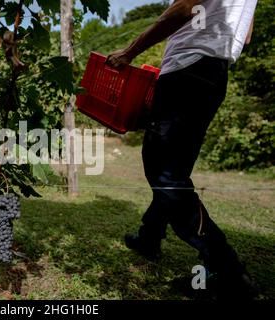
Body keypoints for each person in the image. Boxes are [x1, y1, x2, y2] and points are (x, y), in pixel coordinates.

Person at [106, 0, 258, 299]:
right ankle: (149, 237)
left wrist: (129, 52)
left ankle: (228, 270)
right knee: (175, 167)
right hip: (215, 73)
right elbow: (247, 35)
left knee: (165, 174)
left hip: (188, 68)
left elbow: (185, 7)